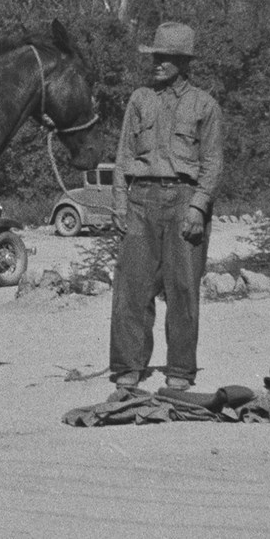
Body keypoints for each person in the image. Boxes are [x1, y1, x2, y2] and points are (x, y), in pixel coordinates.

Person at [109, 22, 224, 393]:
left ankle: (180, 370)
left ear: (182, 61)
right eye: (154, 56)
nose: (156, 63)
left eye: (164, 57)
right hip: (140, 200)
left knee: (183, 290)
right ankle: (129, 365)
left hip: (184, 203)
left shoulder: (204, 105)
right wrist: (119, 203)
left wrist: (198, 207)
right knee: (131, 288)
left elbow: (212, 162)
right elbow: (124, 154)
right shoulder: (139, 99)